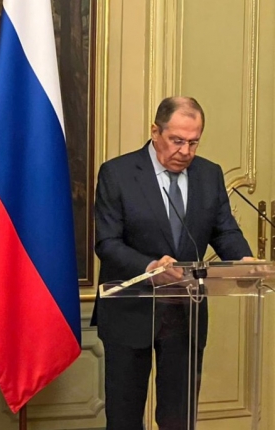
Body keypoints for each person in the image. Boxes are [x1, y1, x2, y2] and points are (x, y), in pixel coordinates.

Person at [91, 96, 253, 429]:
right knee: (124, 418)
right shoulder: (117, 173)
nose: (185, 151)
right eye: (177, 140)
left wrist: (244, 259)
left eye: (193, 142)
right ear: (156, 132)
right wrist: (150, 267)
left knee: (178, 419)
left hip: (184, 313)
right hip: (130, 311)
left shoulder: (209, 174)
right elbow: (107, 243)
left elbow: (224, 230)